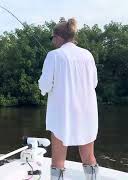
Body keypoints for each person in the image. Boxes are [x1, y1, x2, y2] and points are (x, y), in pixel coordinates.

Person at [38, 17, 99, 180]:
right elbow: (94, 83)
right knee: (89, 156)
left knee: (58, 161)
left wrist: (42, 82)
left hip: (62, 114)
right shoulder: (88, 55)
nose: (52, 42)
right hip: (87, 113)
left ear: (58, 37)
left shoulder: (54, 56)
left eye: (52, 38)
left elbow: (44, 86)